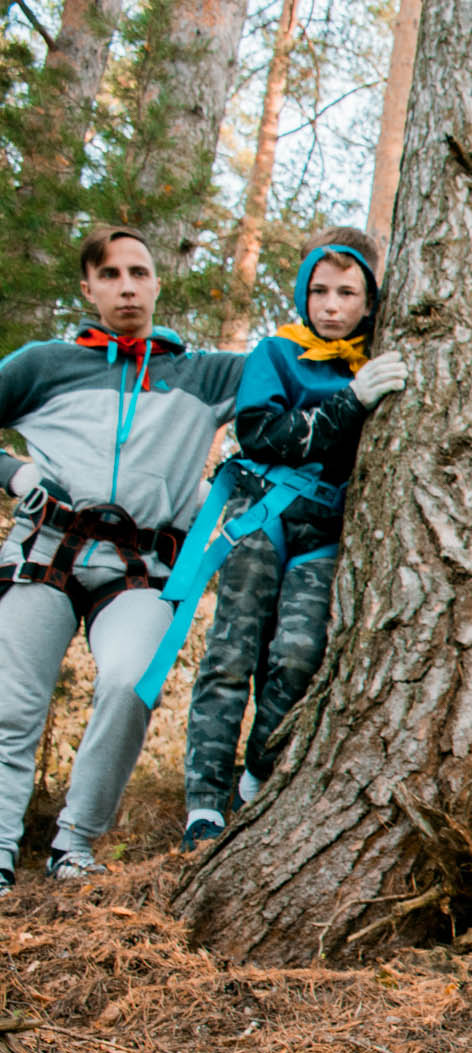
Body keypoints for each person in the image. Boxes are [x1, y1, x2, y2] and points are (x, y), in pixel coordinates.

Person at [0, 226, 244, 887]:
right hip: (43, 555)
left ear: (158, 281)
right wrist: (11, 473)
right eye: (110, 275)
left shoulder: (202, 373)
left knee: (129, 683)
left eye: (139, 272)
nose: (127, 286)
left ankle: (74, 842)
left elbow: (294, 371)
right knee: (12, 705)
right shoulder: (42, 364)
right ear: (89, 288)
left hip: (138, 573)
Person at [167, 229, 405, 849]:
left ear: (370, 300)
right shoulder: (276, 354)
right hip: (265, 514)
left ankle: (256, 777)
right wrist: (348, 405)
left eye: (347, 293)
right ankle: (203, 803)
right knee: (230, 654)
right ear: (303, 295)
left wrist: (358, 391)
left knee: (299, 656)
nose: (331, 305)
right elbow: (262, 434)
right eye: (319, 291)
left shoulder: (374, 362)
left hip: (327, 530)